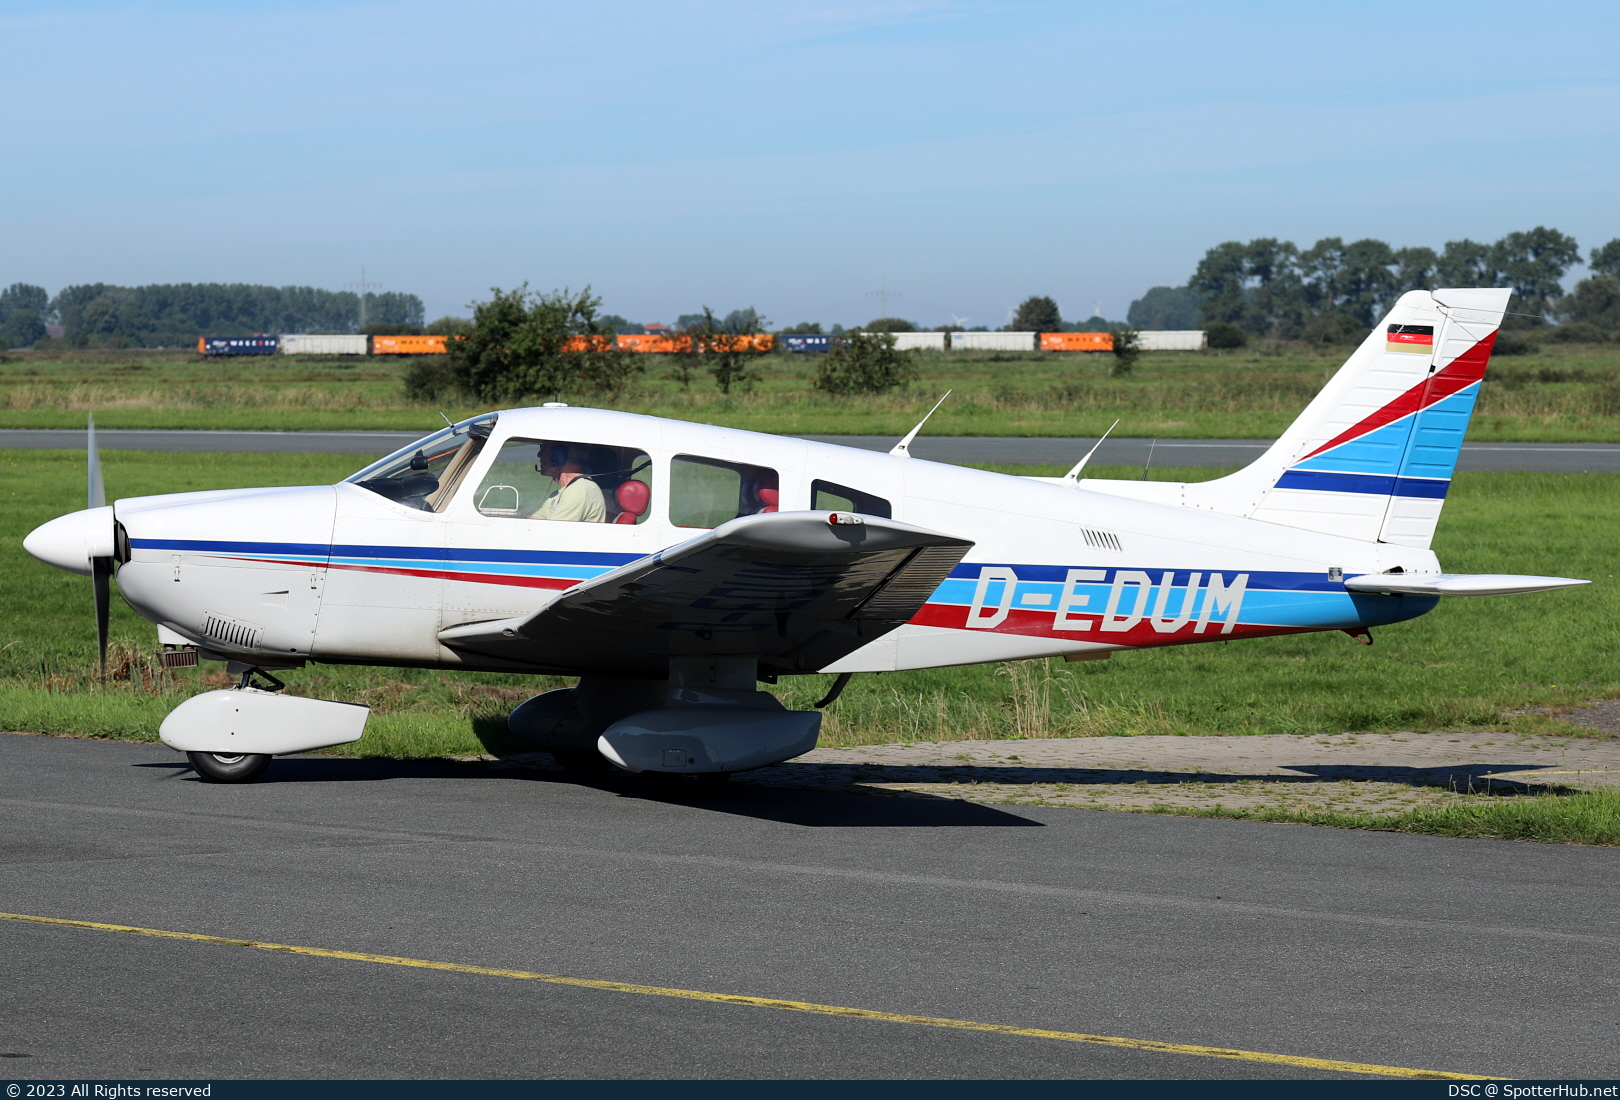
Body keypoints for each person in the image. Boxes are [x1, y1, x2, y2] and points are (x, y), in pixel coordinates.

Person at [532, 443, 607, 522]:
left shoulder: (579, 490)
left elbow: (554, 530)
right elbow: (533, 523)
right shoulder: (556, 495)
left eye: (543, 449)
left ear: (558, 455)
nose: (539, 455)